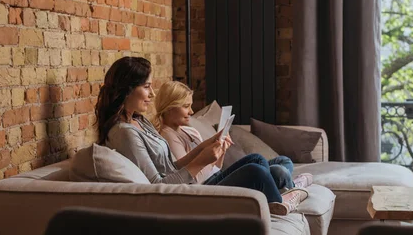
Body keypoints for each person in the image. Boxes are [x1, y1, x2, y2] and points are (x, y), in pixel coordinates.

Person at [94, 56, 308, 215]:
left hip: (190, 187)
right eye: (147, 87)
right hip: (185, 198)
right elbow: (157, 187)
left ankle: (283, 196)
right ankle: (284, 199)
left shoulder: (139, 121)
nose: (152, 94)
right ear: (127, 90)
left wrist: (203, 147)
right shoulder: (124, 133)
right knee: (256, 171)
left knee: (257, 160)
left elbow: (171, 167)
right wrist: (202, 161)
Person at [153, 80, 313, 191]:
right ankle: (289, 187)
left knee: (282, 162)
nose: (192, 112)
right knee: (276, 171)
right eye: (186, 106)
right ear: (169, 108)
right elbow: (192, 179)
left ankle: (284, 185)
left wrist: (221, 150)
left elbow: (215, 168)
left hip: (216, 176)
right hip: (208, 185)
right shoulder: (168, 137)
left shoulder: (189, 130)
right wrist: (210, 158)